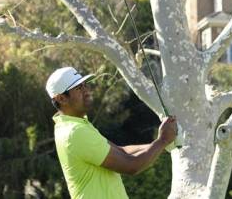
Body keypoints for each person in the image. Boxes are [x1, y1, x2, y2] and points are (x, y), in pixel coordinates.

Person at [45, 66, 178, 199]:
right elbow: (132, 166)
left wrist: (161, 145)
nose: (87, 91)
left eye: (85, 85)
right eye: (79, 88)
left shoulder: (74, 124)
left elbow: (122, 151)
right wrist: (163, 141)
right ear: (61, 99)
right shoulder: (75, 132)